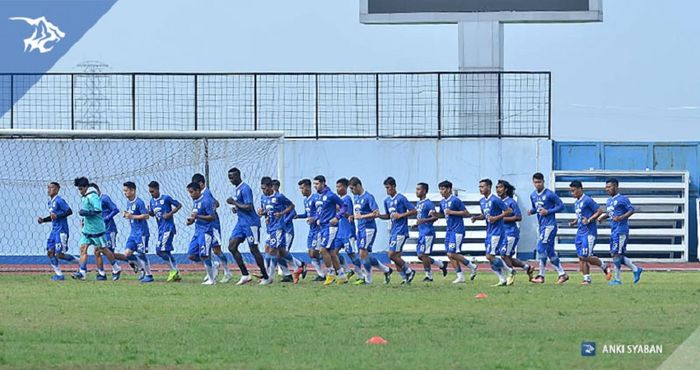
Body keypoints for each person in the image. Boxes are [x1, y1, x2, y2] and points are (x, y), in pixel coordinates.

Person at [71, 177, 122, 281]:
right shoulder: (84, 196)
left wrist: (86, 213)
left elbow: (98, 210)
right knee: (83, 249)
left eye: (81, 189)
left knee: (103, 249)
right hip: (87, 229)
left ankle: (116, 268)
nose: (80, 191)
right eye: (78, 189)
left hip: (97, 229)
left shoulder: (93, 196)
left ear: (86, 187)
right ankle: (82, 272)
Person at [226, 168, 267, 285]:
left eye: (232, 177)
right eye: (229, 177)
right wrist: (236, 208)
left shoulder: (245, 188)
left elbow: (249, 206)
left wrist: (234, 203)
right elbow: (241, 205)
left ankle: (266, 276)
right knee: (232, 246)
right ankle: (245, 274)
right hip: (241, 223)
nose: (230, 179)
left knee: (253, 249)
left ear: (238, 175)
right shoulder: (237, 189)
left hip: (251, 223)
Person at [597, 178, 643, 285]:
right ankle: (636, 269)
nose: (607, 189)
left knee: (616, 255)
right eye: (606, 187)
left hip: (621, 230)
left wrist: (621, 217)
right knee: (616, 254)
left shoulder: (622, 199)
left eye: (609, 187)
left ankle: (617, 279)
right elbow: (610, 213)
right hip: (613, 231)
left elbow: (631, 210)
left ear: (616, 187)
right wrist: (602, 217)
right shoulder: (609, 201)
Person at [349, 177, 393, 285]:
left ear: (358, 186)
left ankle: (368, 279)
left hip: (369, 229)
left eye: (352, 188)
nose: (351, 191)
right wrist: (352, 216)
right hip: (360, 228)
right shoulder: (356, 197)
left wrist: (362, 216)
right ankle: (387, 270)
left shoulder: (368, 197)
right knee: (365, 255)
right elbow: (358, 213)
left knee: (362, 253)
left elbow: (376, 213)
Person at [471, 179, 513, 286]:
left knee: (489, 256)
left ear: (489, 187)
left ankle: (509, 270)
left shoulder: (495, 200)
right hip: (489, 231)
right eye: (479, 187)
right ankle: (502, 279)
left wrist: (496, 218)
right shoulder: (482, 201)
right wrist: (476, 217)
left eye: (482, 186)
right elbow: (485, 215)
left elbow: (509, 211)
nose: (481, 189)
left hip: (497, 231)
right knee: (490, 258)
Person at [528, 172, 569, 284]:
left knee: (541, 248)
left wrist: (548, 211)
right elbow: (535, 208)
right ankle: (562, 274)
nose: (537, 184)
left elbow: (561, 206)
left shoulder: (550, 194)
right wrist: (531, 211)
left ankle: (541, 276)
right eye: (535, 182)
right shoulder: (533, 195)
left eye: (539, 182)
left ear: (543, 182)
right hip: (541, 226)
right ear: (533, 182)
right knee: (550, 251)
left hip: (549, 225)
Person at [435, 180, 477, 284]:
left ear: (449, 189)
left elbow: (466, 213)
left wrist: (452, 212)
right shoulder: (442, 202)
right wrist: (434, 215)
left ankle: (471, 265)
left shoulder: (455, 200)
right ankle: (460, 276)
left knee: (452, 253)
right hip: (449, 230)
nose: (441, 191)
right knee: (450, 254)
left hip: (458, 230)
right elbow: (442, 214)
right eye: (440, 189)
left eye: (443, 189)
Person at [378, 177, 416, 284]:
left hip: (401, 230)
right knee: (396, 257)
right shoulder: (386, 201)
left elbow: (413, 210)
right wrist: (379, 216)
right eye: (385, 188)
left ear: (394, 186)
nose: (387, 190)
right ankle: (405, 278)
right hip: (393, 230)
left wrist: (401, 215)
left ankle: (409, 271)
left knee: (392, 255)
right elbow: (388, 216)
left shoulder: (401, 198)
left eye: (388, 187)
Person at [495, 180, 534, 281]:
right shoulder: (497, 202)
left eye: (500, 187)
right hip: (502, 233)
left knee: (504, 255)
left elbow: (519, 217)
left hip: (510, 232)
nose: (498, 189)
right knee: (508, 257)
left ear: (506, 189)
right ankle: (528, 268)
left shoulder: (511, 202)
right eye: (497, 187)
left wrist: (502, 218)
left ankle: (510, 275)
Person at [37, 182, 76, 281]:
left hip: (61, 230)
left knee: (59, 255)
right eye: (48, 188)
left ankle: (81, 262)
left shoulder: (59, 200)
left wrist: (57, 216)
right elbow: (53, 217)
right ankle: (59, 275)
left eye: (52, 188)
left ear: (58, 189)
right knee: (50, 252)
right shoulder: (50, 202)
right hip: (54, 231)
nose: (49, 189)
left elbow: (69, 211)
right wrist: (43, 220)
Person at [412, 182, 448, 282]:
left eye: (419, 189)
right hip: (421, 232)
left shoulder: (428, 203)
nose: (417, 191)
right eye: (416, 189)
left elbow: (435, 217)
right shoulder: (419, 203)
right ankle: (440, 264)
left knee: (424, 255)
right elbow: (421, 217)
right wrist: (417, 224)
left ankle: (429, 276)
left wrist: (423, 221)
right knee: (420, 256)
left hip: (428, 232)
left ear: (424, 191)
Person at [148, 181, 183, 282]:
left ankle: (173, 271)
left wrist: (170, 214)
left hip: (168, 228)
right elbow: (153, 214)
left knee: (159, 250)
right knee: (166, 251)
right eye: (150, 192)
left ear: (158, 189)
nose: (151, 193)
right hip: (161, 229)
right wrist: (150, 213)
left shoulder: (166, 198)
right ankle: (176, 273)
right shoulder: (152, 201)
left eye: (153, 191)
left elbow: (179, 205)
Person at [186, 182, 218, 285]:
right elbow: (195, 216)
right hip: (197, 232)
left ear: (198, 191)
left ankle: (211, 279)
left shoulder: (206, 200)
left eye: (191, 192)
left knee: (204, 255)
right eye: (189, 192)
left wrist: (197, 217)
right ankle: (213, 265)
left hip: (206, 231)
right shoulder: (195, 201)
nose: (190, 194)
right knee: (191, 255)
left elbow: (212, 217)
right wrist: (191, 221)